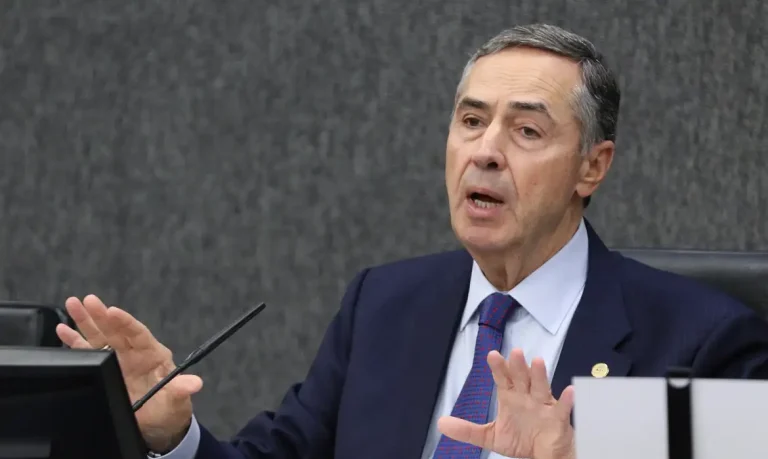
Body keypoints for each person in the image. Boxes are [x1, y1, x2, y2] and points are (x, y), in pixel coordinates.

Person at [57, 23, 768, 459]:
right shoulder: (386, 304)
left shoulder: (704, 340)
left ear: (593, 166)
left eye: (526, 130)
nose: (485, 152)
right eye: (470, 120)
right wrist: (171, 433)